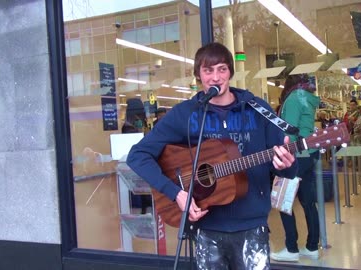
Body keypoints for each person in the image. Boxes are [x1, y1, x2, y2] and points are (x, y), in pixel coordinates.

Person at [126, 42, 297, 269]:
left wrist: (286, 164)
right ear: (199, 75)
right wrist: (176, 193)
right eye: (208, 71)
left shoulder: (258, 110)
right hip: (206, 228)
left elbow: (288, 168)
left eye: (222, 69)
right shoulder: (185, 114)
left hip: (252, 226)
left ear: (230, 73)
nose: (215, 77)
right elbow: (138, 155)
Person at [270, 74, 321, 262]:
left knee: (283, 201)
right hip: (309, 153)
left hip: (295, 156)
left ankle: (291, 248)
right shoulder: (308, 98)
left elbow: (289, 132)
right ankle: (312, 246)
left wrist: (282, 155)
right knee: (308, 202)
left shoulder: (293, 99)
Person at [121, 98, 152, 214]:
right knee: (140, 199)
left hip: (137, 165)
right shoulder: (129, 128)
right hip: (137, 166)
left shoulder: (129, 126)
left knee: (142, 199)